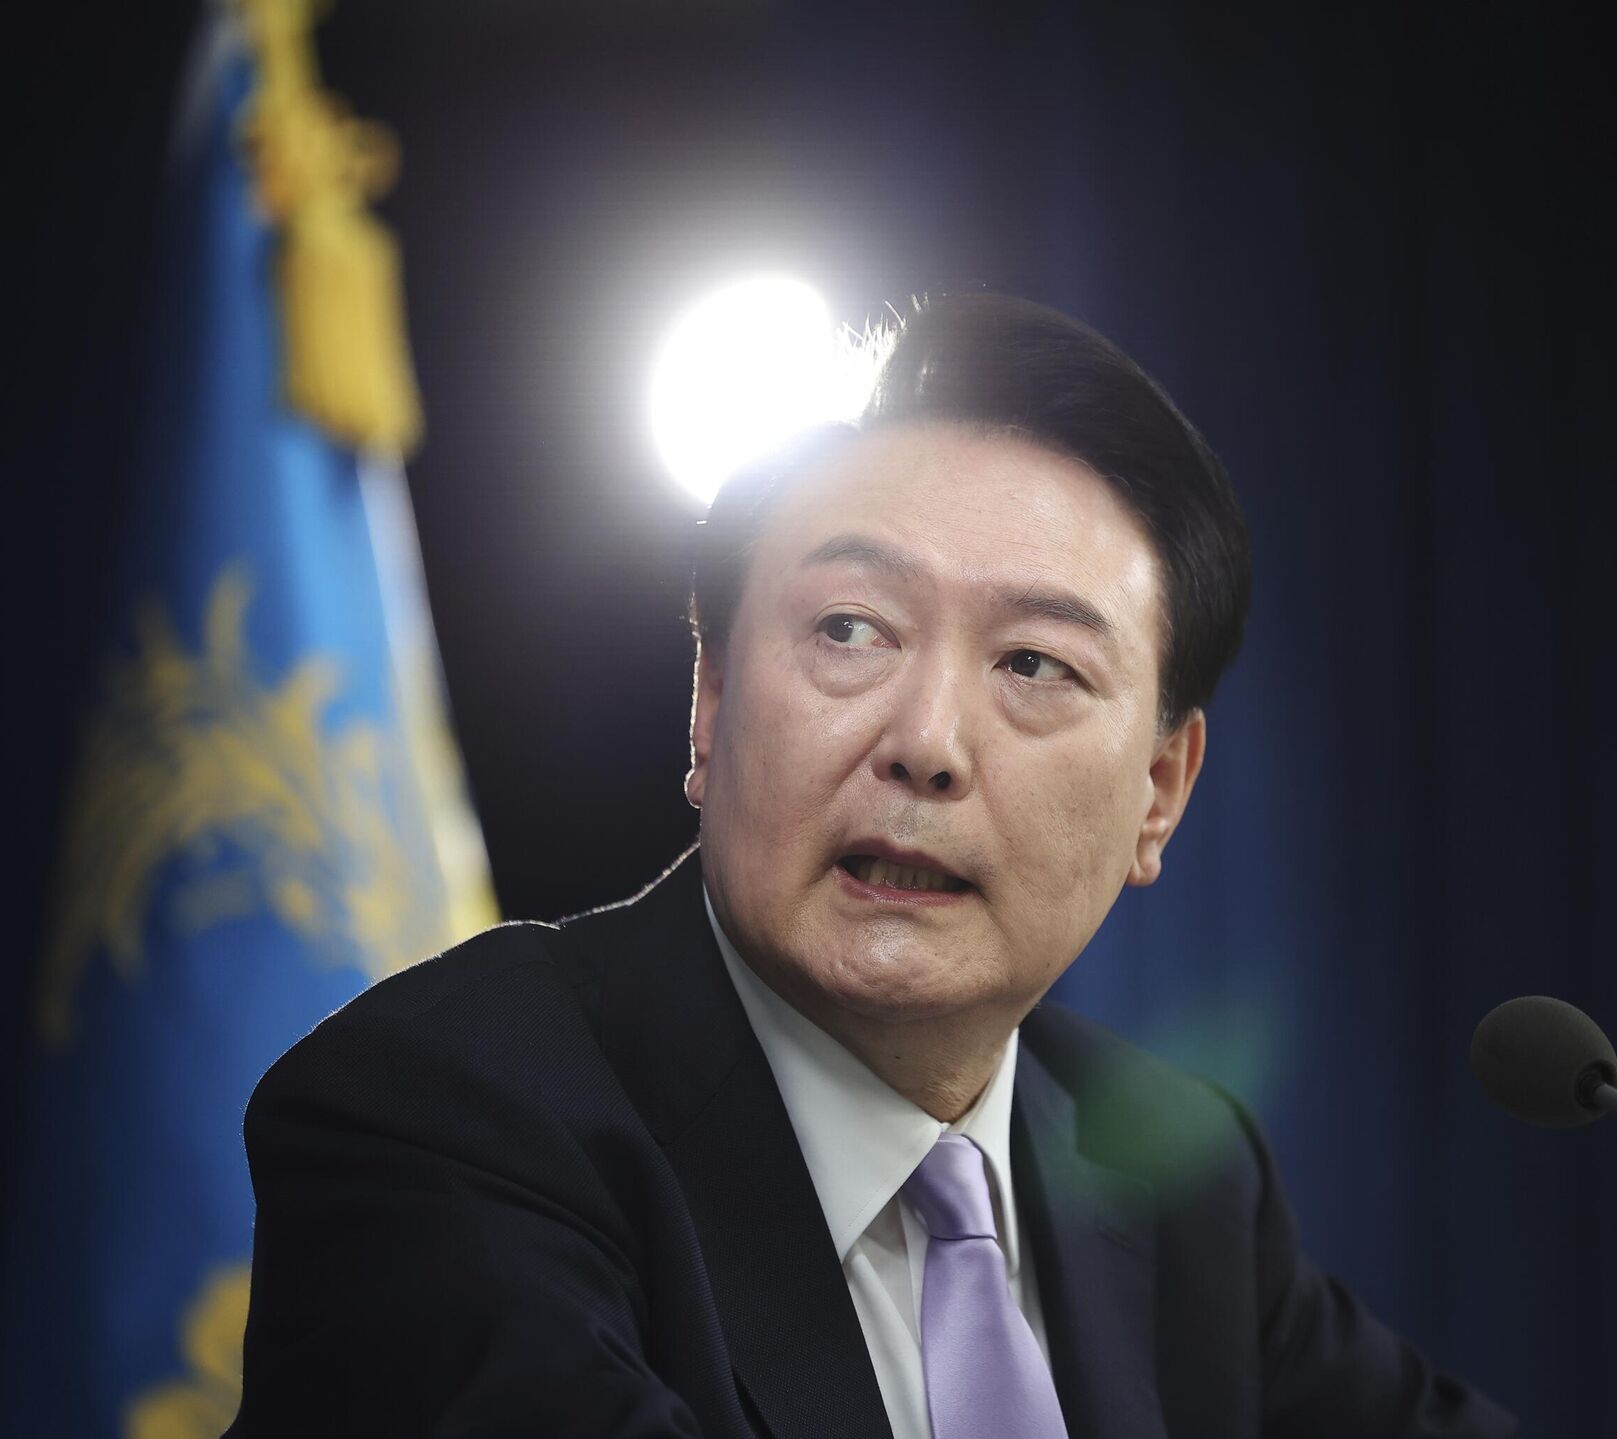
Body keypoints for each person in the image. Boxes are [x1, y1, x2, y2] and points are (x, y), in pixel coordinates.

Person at [228, 292, 1516, 1437]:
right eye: (851, 629)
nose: (927, 745)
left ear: (1159, 795)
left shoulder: (1177, 1182)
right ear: (710, 702)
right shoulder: (444, 1118)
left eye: (1034, 664)